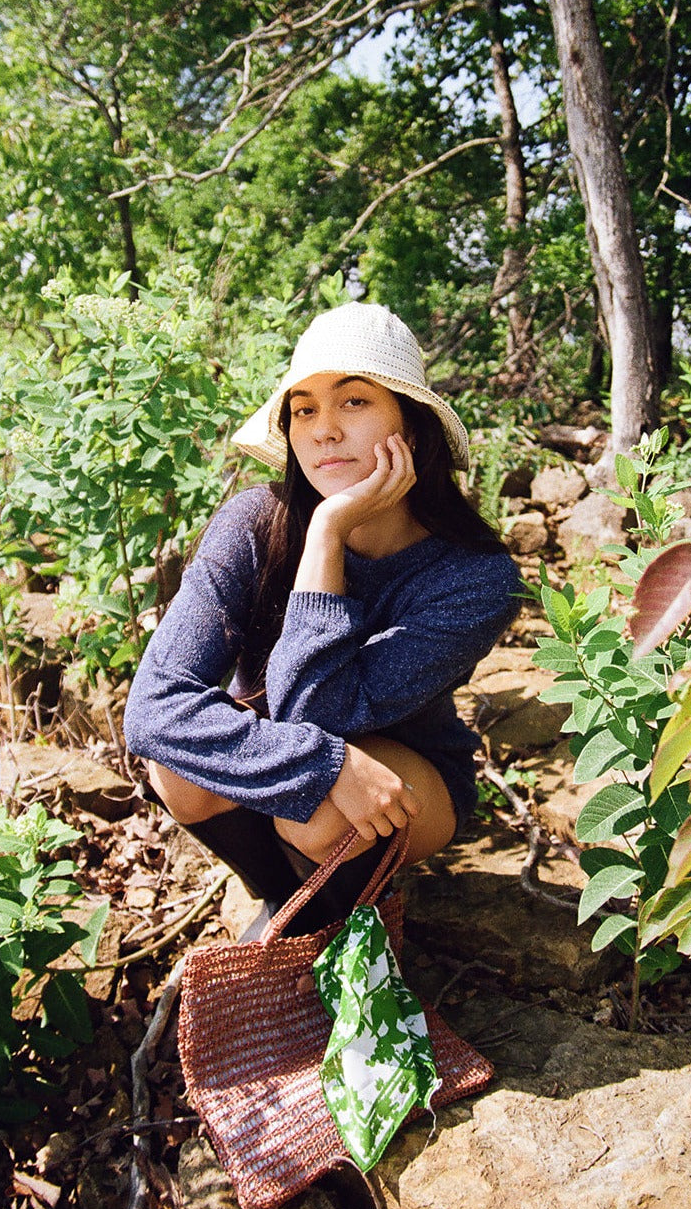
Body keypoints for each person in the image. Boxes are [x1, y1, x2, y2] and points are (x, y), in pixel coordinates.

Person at [123, 301, 522, 935]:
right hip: (291, 762)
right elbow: (150, 713)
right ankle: (285, 902)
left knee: (315, 815)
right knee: (175, 768)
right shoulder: (253, 525)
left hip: (405, 781)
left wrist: (330, 532)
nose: (323, 430)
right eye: (304, 408)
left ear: (411, 427)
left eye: (354, 402)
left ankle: (343, 913)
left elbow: (322, 712)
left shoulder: (474, 579)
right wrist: (325, 767)